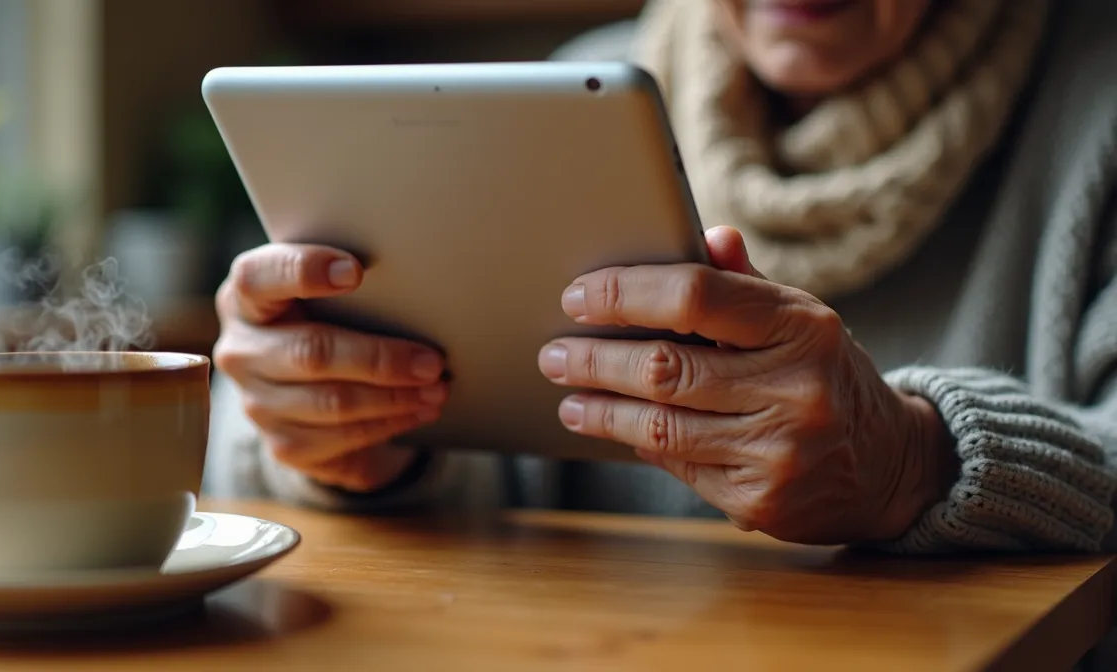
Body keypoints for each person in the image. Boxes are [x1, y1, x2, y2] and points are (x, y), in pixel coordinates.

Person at [205, 0, 1117, 554]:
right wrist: (362, 450)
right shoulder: (572, 92)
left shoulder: (1091, 105)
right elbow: (513, 481)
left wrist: (916, 462)